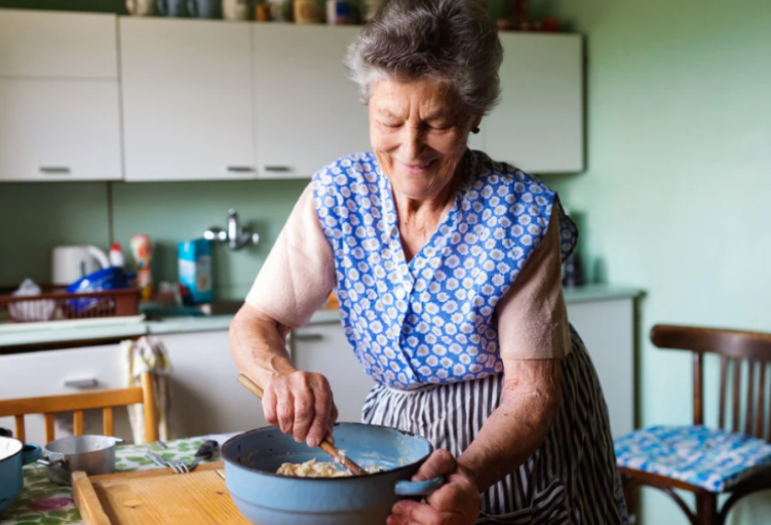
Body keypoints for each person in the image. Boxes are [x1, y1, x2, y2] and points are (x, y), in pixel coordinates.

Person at [230, 0, 627, 523]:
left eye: (437, 123)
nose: (411, 149)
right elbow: (256, 322)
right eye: (389, 121)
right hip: (400, 430)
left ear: (474, 114)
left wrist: (467, 476)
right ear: (368, 104)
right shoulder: (337, 195)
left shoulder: (519, 212)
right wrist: (278, 372)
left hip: (515, 434)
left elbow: (530, 392)